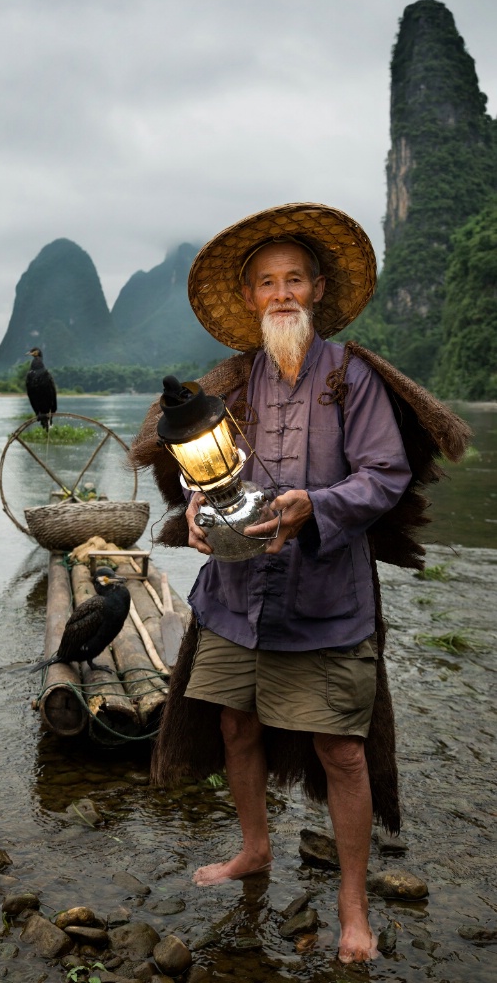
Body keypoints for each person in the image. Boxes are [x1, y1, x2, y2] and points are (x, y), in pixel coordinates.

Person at [130, 203, 470, 964]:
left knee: (340, 750)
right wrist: (193, 512)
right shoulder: (229, 385)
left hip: (325, 600)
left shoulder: (351, 379)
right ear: (250, 298)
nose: (280, 294)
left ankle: (352, 905)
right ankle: (254, 848)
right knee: (234, 727)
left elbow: (383, 475)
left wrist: (311, 506)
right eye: (265, 282)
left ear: (315, 289)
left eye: (293, 280)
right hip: (233, 600)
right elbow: (202, 472)